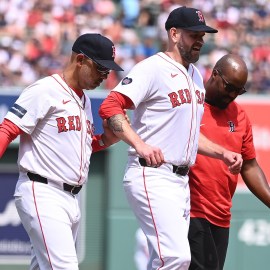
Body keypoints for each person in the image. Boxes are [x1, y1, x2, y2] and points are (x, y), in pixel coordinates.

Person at [99, 6, 242, 270]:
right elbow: (110, 106)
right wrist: (139, 144)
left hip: (179, 182)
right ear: (174, 34)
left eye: (203, 35)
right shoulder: (152, 68)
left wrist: (221, 152)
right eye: (193, 34)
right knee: (176, 257)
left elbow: (189, 135)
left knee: (168, 260)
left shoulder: (196, 76)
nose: (200, 39)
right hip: (152, 174)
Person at [0, 33, 123, 270]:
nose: (104, 76)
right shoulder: (45, 89)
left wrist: (105, 140)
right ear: (80, 60)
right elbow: (7, 129)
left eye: (107, 72)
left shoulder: (85, 101)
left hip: (70, 198)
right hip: (43, 192)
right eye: (100, 68)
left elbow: (81, 149)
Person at [188, 54, 270, 270]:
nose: (233, 94)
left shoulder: (240, 116)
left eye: (239, 90)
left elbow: (250, 165)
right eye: (230, 87)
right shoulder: (191, 106)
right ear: (215, 74)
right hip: (190, 209)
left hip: (221, 215)